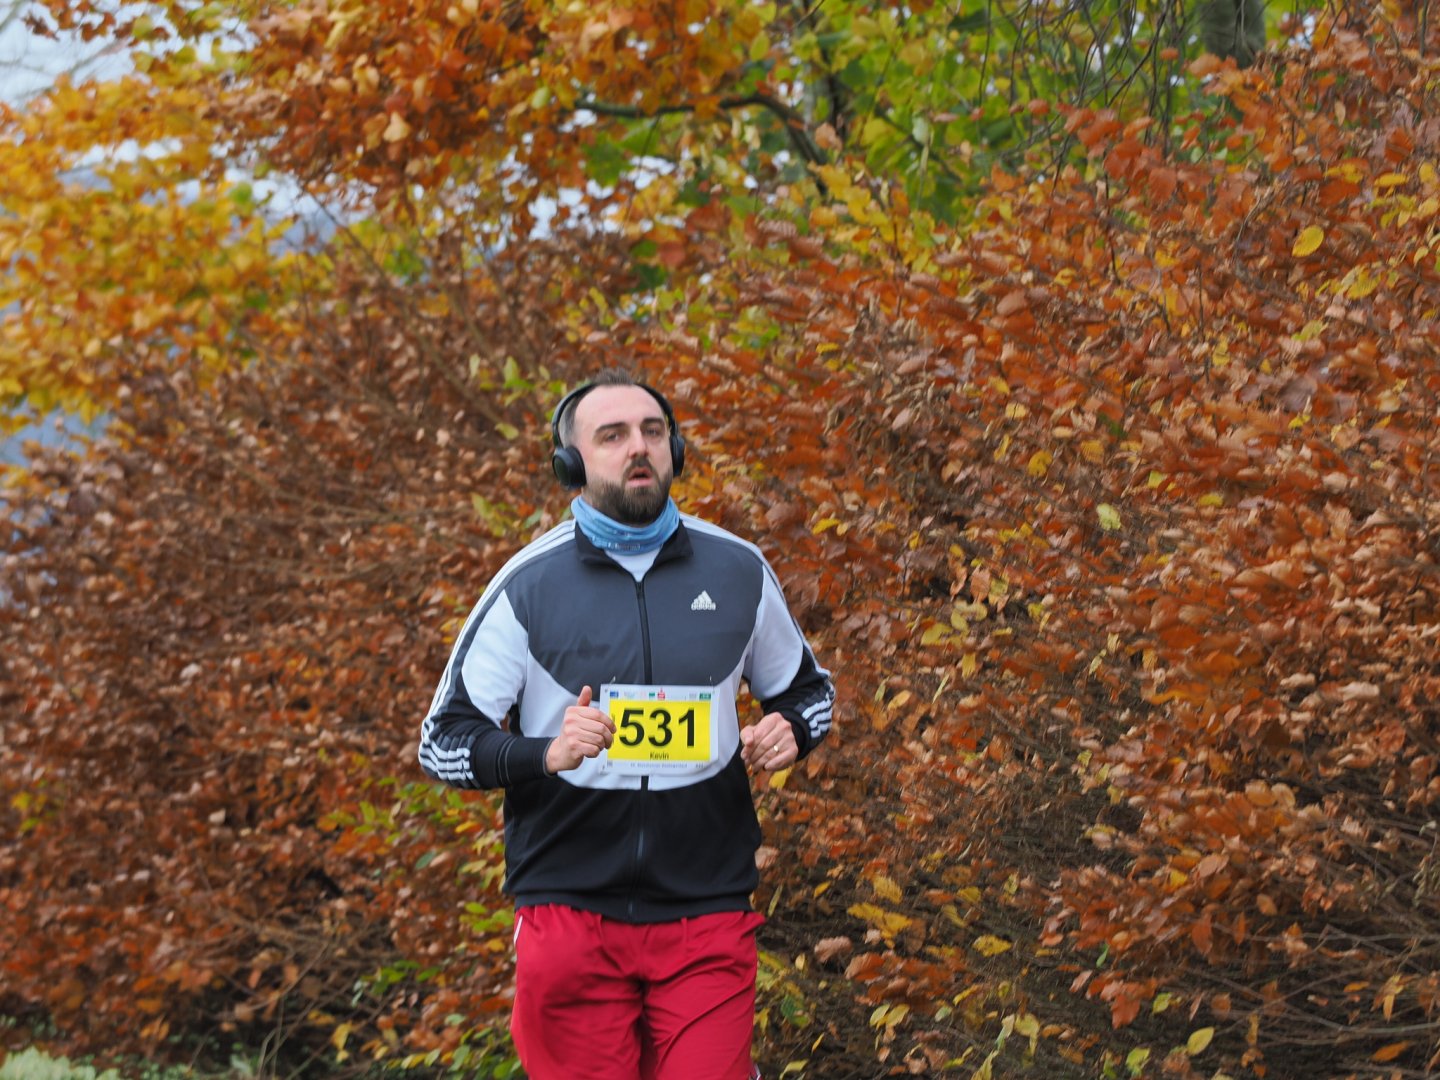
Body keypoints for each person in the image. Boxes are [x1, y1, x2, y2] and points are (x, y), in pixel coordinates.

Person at [418, 370, 835, 1080]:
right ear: (571, 464)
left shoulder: (737, 568)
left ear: (675, 449)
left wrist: (791, 729)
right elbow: (442, 743)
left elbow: (809, 694)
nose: (637, 447)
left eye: (651, 431)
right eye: (611, 436)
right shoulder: (527, 583)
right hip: (568, 912)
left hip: (706, 908)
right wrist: (545, 753)